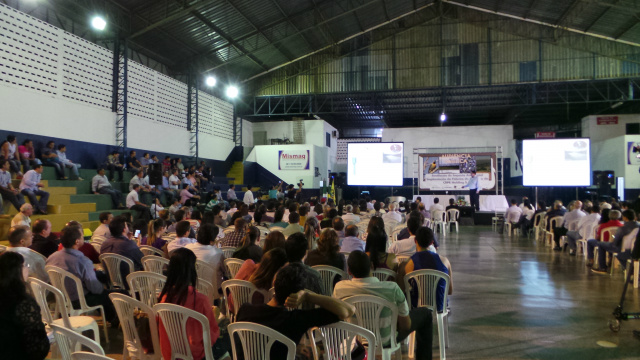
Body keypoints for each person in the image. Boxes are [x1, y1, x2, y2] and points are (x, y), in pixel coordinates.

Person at [236, 262, 355, 359]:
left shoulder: (244, 310)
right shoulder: (296, 320)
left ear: (274, 283)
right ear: (299, 293)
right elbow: (348, 310)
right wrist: (308, 296)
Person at [334, 251, 433, 360]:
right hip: (386, 341)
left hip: (355, 340)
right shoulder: (392, 288)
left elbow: (337, 317)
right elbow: (406, 325)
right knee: (426, 314)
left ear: (349, 271)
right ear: (372, 266)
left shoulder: (339, 288)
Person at [158, 248, 229, 360]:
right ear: (191, 270)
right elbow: (212, 333)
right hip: (196, 354)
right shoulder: (200, 300)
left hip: (171, 353)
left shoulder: (163, 299)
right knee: (225, 341)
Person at [46, 224, 120, 326]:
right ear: (77, 241)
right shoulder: (82, 261)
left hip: (61, 297)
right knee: (112, 295)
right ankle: (115, 322)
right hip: (79, 300)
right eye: (82, 236)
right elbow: (95, 288)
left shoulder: (51, 258)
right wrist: (103, 288)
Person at [0, 251, 50, 359]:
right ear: (16, 271)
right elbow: (38, 348)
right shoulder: (23, 302)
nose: (27, 269)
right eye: (24, 266)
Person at [397, 227, 452, 312]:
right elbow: (449, 291)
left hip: (417, 306)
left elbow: (402, 291)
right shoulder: (445, 261)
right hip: (440, 306)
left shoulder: (409, 264)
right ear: (431, 242)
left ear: (415, 241)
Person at [592, 209, 639, 274]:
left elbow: (615, 243)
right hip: (634, 248)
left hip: (622, 248)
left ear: (625, 217)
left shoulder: (623, 228)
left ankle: (602, 268)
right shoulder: (638, 226)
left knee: (601, 244)